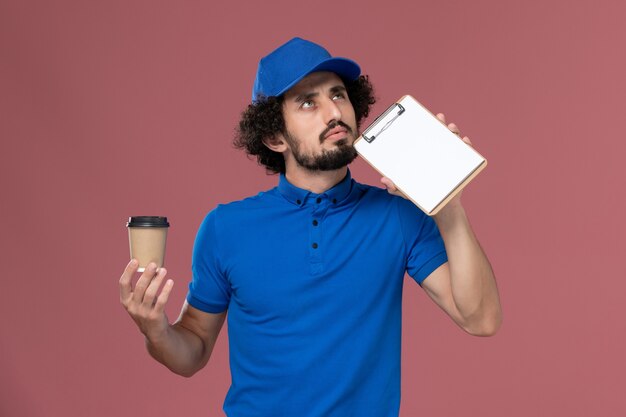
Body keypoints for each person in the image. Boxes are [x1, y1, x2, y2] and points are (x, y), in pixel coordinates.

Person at [119, 37, 502, 417]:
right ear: (274, 136)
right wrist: (155, 329)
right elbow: (193, 350)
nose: (333, 113)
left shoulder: (397, 216)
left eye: (338, 95)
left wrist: (448, 206)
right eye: (308, 102)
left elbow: (480, 319)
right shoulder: (224, 228)